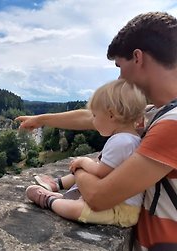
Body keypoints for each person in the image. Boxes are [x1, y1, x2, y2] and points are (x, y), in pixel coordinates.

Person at [16, 12, 177, 251]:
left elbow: (99, 197)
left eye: (119, 67)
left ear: (137, 58)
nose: (119, 79)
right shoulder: (155, 113)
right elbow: (93, 117)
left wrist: (79, 167)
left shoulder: (171, 124)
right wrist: (43, 118)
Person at [26, 79, 147, 227]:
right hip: (116, 201)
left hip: (120, 210)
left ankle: (50, 200)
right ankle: (59, 190)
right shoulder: (131, 138)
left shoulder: (121, 142)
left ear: (111, 115)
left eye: (95, 116)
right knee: (88, 168)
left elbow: (101, 172)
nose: (93, 122)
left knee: (76, 210)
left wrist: (83, 161)